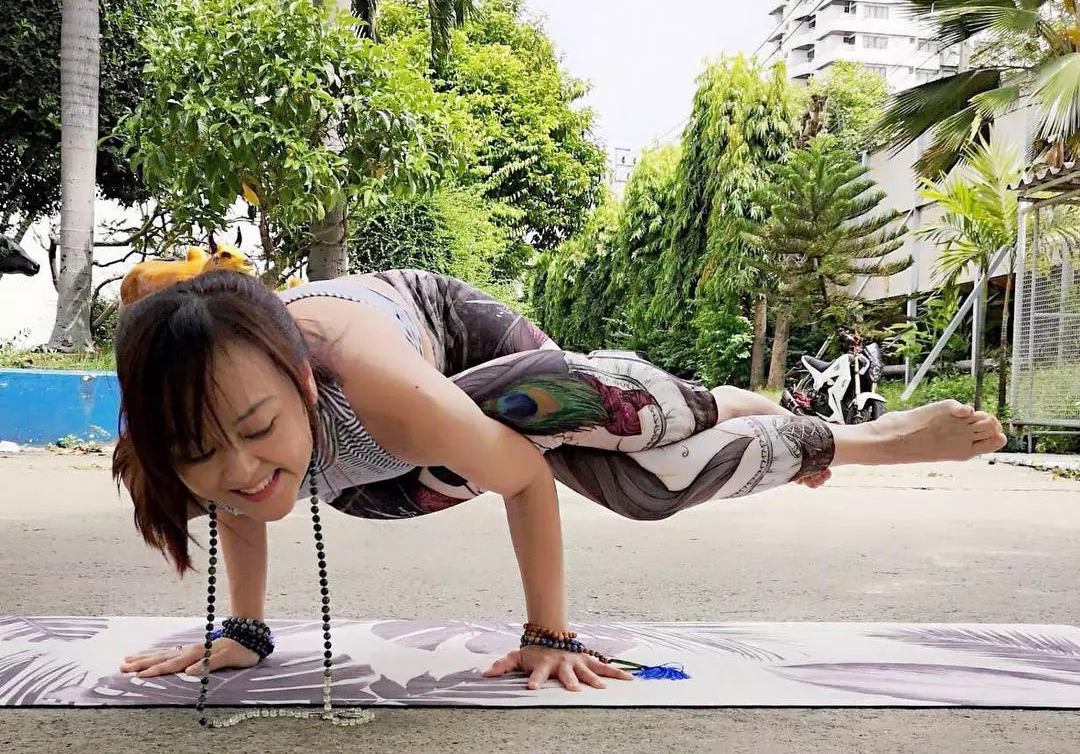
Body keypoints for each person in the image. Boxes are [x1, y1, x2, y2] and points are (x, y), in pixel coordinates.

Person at [114, 268, 1006, 694]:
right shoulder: (181, 431)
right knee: (246, 463)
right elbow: (237, 498)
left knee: (647, 476)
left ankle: (850, 437)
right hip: (375, 466)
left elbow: (524, 483)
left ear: (303, 385)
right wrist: (246, 629)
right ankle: (757, 420)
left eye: (261, 430)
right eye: (201, 449)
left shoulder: (380, 389)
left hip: (464, 347)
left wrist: (549, 633)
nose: (237, 469)